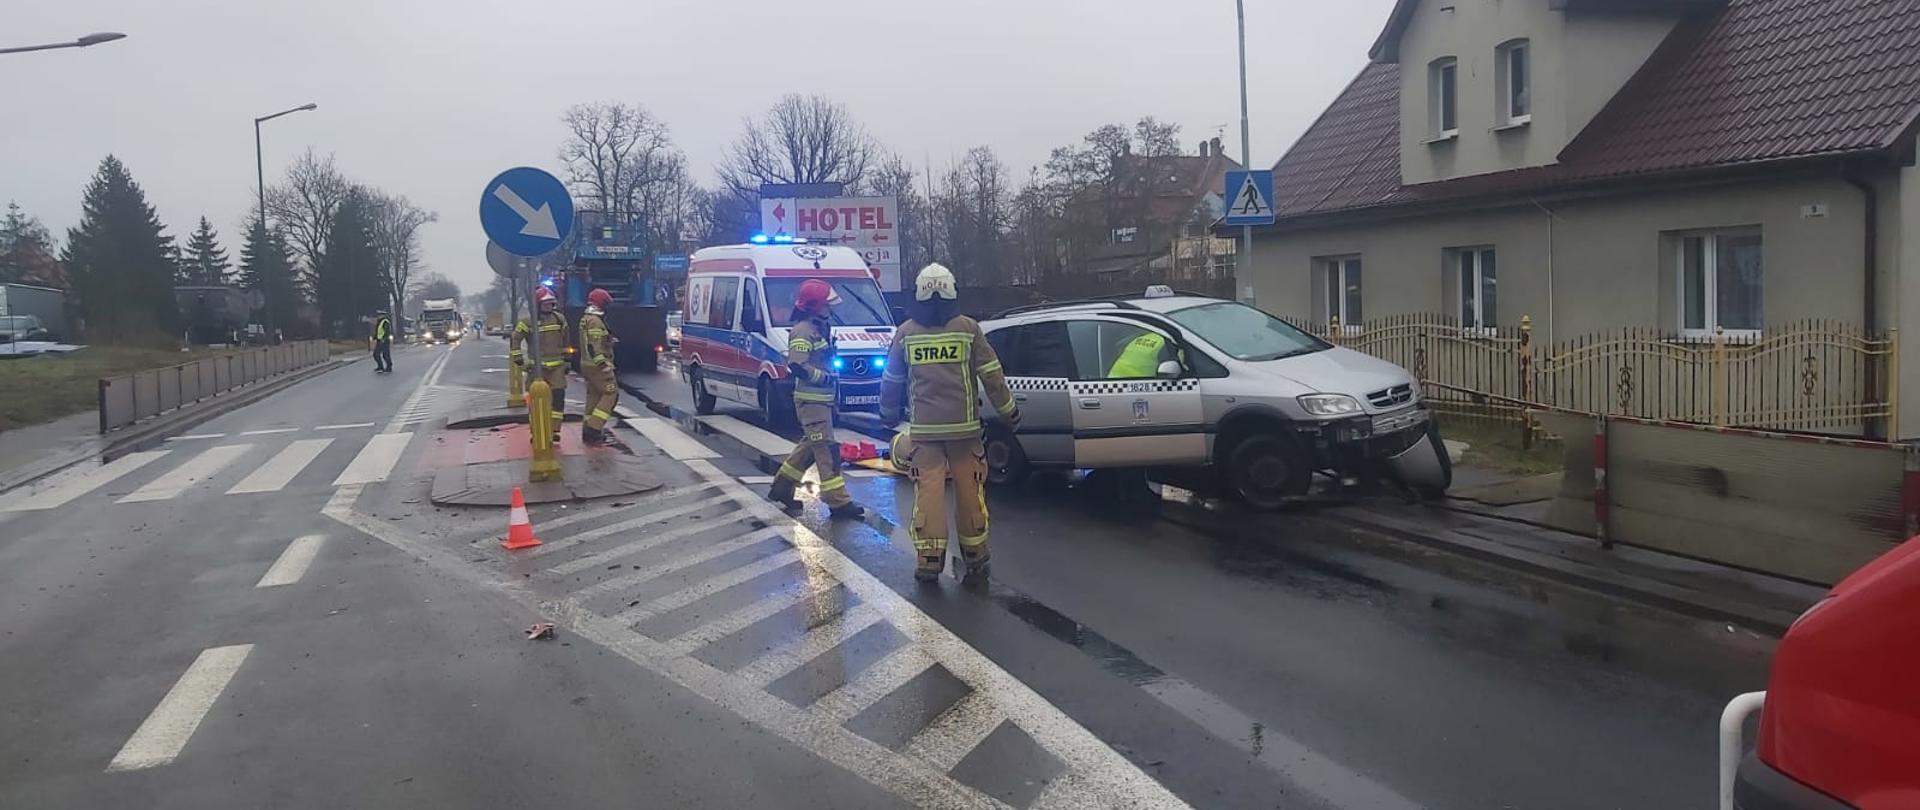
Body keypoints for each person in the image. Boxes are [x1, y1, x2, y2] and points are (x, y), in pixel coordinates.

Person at [880, 263, 1020, 582]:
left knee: (928, 493)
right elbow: (993, 377)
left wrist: (887, 414)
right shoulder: (968, 329)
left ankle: (929, 560)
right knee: (970, 490)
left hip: (925, 433)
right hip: (964, 431)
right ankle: (975, 555)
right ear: (952, 291)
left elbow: (891, 380)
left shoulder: (906, 333)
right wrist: (1009, 412)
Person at [767, 279, 865, 520]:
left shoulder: (818, 328)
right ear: (815, 306)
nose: (830, 310)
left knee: (810, 447)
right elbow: (797, 366)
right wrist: (824, 378)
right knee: (826, 451)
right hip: (812, 402)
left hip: (820, 402)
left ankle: (782, 487)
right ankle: (838, 502)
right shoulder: (803, 331)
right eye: (826, 305)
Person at [512, 287, 571, 442]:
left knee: (558, 397)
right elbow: (515, 338)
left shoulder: (559, 319)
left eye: (551, 304)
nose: (548, 307)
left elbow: (566, 341)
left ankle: (554, 429)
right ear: (537, 305)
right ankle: (536, 430)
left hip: (557, 368)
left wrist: (568, 360)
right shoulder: (527, 322)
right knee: (535, 400)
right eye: (545, 304)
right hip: (536, 369)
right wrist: (518, 358)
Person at [578, 288, 621, 445]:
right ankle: (594, 428)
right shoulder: (595, 321)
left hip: (587, 366)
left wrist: (608, 340)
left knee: (594, 398)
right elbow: (593, 345)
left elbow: (592, 340)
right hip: (598, 367)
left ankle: (587, 429)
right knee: (611, 394)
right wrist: (603, 364)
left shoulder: (586, 318)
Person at [372, 309, 393, 373]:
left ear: (383, 315)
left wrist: (384, 339)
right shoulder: (379, 322)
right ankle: (380, 366)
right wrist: (375, 337)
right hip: (379, 340)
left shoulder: (385, 322)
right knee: (376, 354)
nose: (378, 316)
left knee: (385, 354)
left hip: (384, 340)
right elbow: (379, 331)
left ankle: (389, 367)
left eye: (380, 315)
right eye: (378, 315)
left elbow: (387, 332)